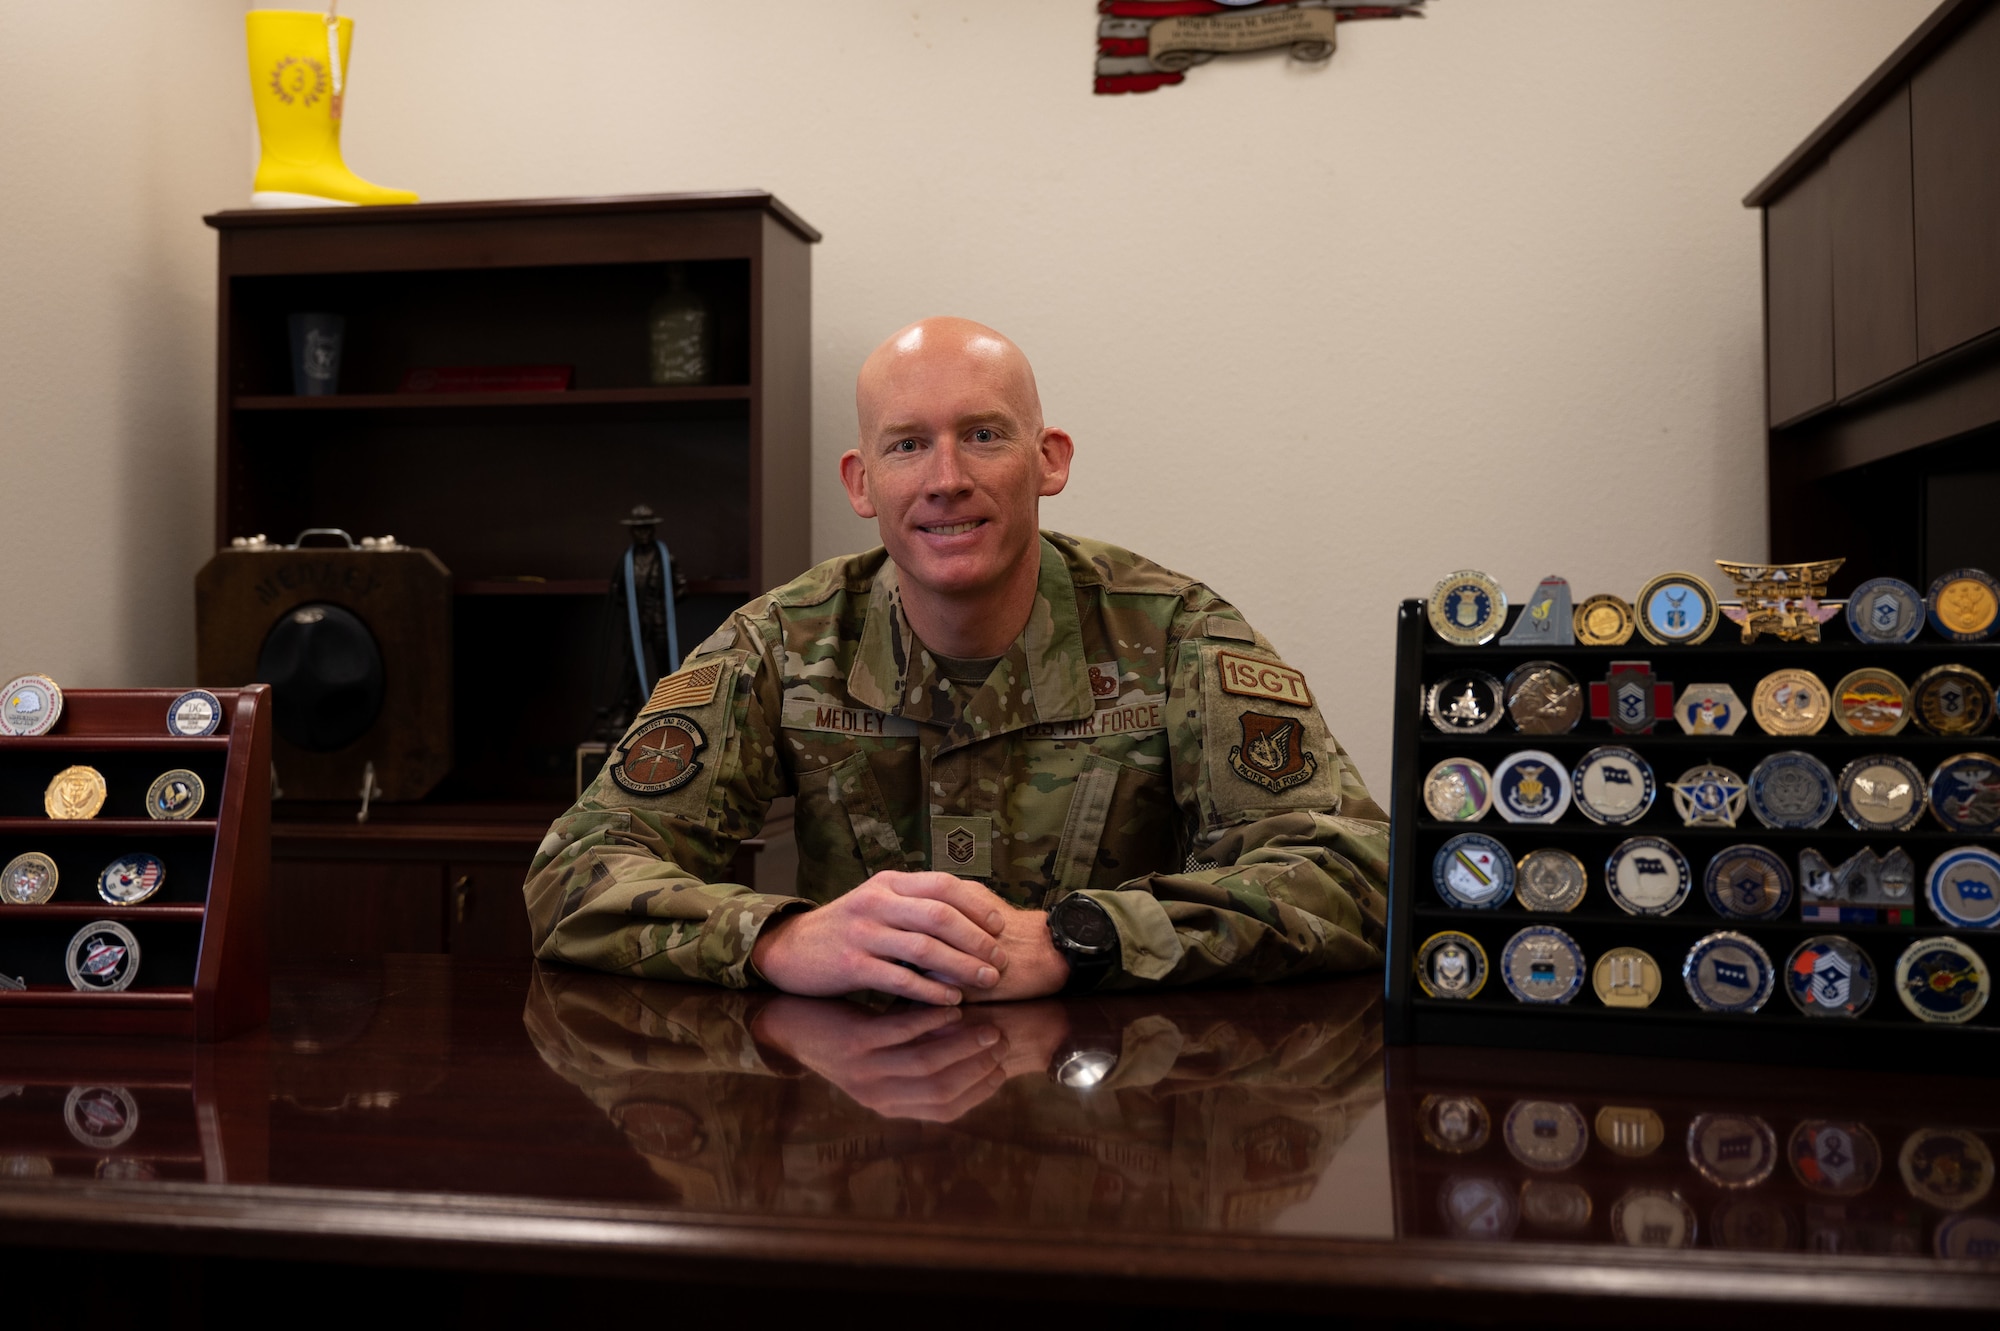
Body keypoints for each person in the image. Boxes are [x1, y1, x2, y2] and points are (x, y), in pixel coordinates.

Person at [523, 318, 1388, 1003]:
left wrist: (1082, 938)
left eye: (982, 435)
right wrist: (778, 937)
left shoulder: (1176, 635)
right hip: (861, 1103)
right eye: (907, 445)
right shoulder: (783, 642)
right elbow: (576, 870)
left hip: (1117, 1098)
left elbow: (1354, 873)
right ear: (862, 483)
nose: (945, 478)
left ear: (1048, 462)